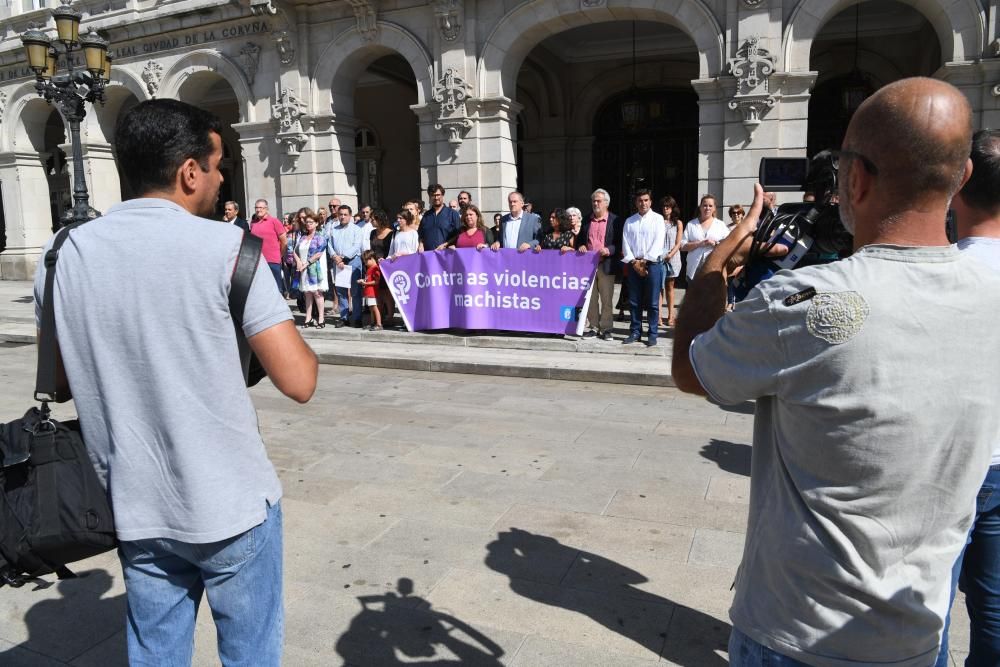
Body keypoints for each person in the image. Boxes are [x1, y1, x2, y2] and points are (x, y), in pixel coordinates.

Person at [672, 77, 1000, 666]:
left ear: (856, 178)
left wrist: (718, 262)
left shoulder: (804, 300)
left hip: (796, 629)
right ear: (961, 177)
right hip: (919, 630)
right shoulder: (991, 289)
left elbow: (693, 368)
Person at [32, 98, 318, 665]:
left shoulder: (60, 254)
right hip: (231, 502)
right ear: (190, 171)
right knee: (250, 656)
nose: (219, 179)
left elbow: (60, 380)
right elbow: (299, 379)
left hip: (135, 504)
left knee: (156, 654)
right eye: (216, 166)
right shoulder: (229, 248)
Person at [936, 129, 1000, 666]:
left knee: (929, 603)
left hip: (949, 461)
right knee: (995, 606)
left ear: (962, 181)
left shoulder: (942, 272)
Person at [620, 189, 666, 347]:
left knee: (653, 303)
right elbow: (625, 244)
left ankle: (652, 334)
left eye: (646, 200)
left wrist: (645, 261)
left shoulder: (658, 219)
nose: (643, 203)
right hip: (634, 263)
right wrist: (634, 262)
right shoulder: (629, 221)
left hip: (652, 264)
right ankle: (635, 332)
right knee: (634, 301)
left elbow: (658, 243)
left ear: (650, 202)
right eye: (640, 200)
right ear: (636, 202)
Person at [577, 188, 621, 340]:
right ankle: (594, 327)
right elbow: (580, 241)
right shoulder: (586, 220)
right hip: (588, 266)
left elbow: (619, 244)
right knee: (590, 298)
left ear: (606, 203)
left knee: (606, 298)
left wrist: (609, 250)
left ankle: (607, 328)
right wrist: (581, 246)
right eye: (593, 201)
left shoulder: (615, 221)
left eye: (599, 201)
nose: (595, 203)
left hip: (605, 264)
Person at [327, 203, 364, 328]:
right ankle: (344, 317)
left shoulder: (357, 229)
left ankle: (357, 317)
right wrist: (335, 256)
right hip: (338, 263)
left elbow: (356, 246)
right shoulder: (334, 230)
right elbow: (329, 245)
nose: (342, 217)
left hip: (353, 262)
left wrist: (342, 257)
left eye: (345, 215)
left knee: (355, 292)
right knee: (341, 291)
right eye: (340, 214)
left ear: (350, 216)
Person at [679, 194, 729, 281]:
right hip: (694, 269)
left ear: (714, 208)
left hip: (714, 268)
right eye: (705, 205)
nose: (707, 208)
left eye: (710, 206)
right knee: (694, 294)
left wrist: (715, 243)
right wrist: (700, 243)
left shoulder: (720, 225)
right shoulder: (691, 224)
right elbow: (682, 246)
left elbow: (728, 243)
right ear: (700, 207)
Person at [292, 210, 329, 328]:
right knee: (307, 293)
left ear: (317, 223)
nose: (308, 224)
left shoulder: (320, 237)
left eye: (311, 222)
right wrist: (298, 261)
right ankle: (308, 318)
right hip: (303, 269)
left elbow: (318, 254)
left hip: (315, 269)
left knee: (317, 293)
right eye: (307, 222)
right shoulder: (302, 237)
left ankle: (321, 319)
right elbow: (295, 251)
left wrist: (306, 263)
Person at [249, 198, 288, 294]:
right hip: (258, 261)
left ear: (266, 209)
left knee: (276, 287)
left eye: (261, 207)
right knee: (261, 288)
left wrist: (280, 255)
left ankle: (280, 308)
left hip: (273, 260)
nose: (258, 210)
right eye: (256, 208)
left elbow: (284, 241)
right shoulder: (253, 223)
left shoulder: (274, 221)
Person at [368, 209, 396, 327]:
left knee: (387, 292)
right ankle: (380, 316)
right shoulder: (373, 233)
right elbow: (372, 249)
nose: (371, 221)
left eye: (373, 219)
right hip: (374, 266)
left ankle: (390, 316)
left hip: (386, 264)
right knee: (377, 292)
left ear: (380, 219)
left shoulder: (391, 233)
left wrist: (385, 261)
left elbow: (391, 250)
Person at [659, 196, 683, 327]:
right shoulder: (658, 221)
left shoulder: (678, 223)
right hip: (659, 257)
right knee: (658, 287)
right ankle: (658, 317)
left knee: (670, 287)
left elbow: (679, 242)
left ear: (673, 208)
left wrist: (670, 254)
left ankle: (670, 315)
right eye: (663, 206)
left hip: (673, 257)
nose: (665, 209)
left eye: (668, 206)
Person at [419, 184, 460, 251]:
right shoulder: (426, 215)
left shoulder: (452, 214)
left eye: (438, 195)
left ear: (442, 195)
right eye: (433, 195)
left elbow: (458, 235)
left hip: (446, 254)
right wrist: (421, 244)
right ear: (429, 197)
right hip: (429, 256)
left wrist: (446, 244)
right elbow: (421, 234)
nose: (436, 198)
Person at [357, 250, 383, 331]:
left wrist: (365, 283)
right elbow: (368, 279)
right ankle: (373, 323)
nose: (365, 263)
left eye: (366, 261)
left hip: (373, 293)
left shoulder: (375, 268)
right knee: (371, 309)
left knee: (375, 308)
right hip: (369, 292)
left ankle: (379, 324)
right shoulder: (369, 268)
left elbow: (377, 281)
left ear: (371, 259)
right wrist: (363, 281)